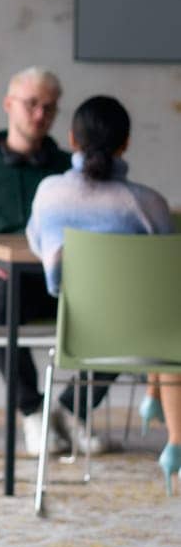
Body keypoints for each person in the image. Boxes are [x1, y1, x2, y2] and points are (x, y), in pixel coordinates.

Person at [27, 94, 176, 479]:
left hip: (77, 332)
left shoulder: (48, 192)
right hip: (146, 339)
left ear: (72, 141)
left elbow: (37, 244)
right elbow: (167, 275)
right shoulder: (150, 204)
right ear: (125, 144)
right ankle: (166, 425)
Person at [0, 67, 72, 455]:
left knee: (127, 307)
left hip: (61, 281)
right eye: (32, 103)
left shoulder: (71, 170)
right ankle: (33, 410)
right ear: (8, 105)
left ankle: (73, 411)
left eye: (50, 108)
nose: (40, 115)